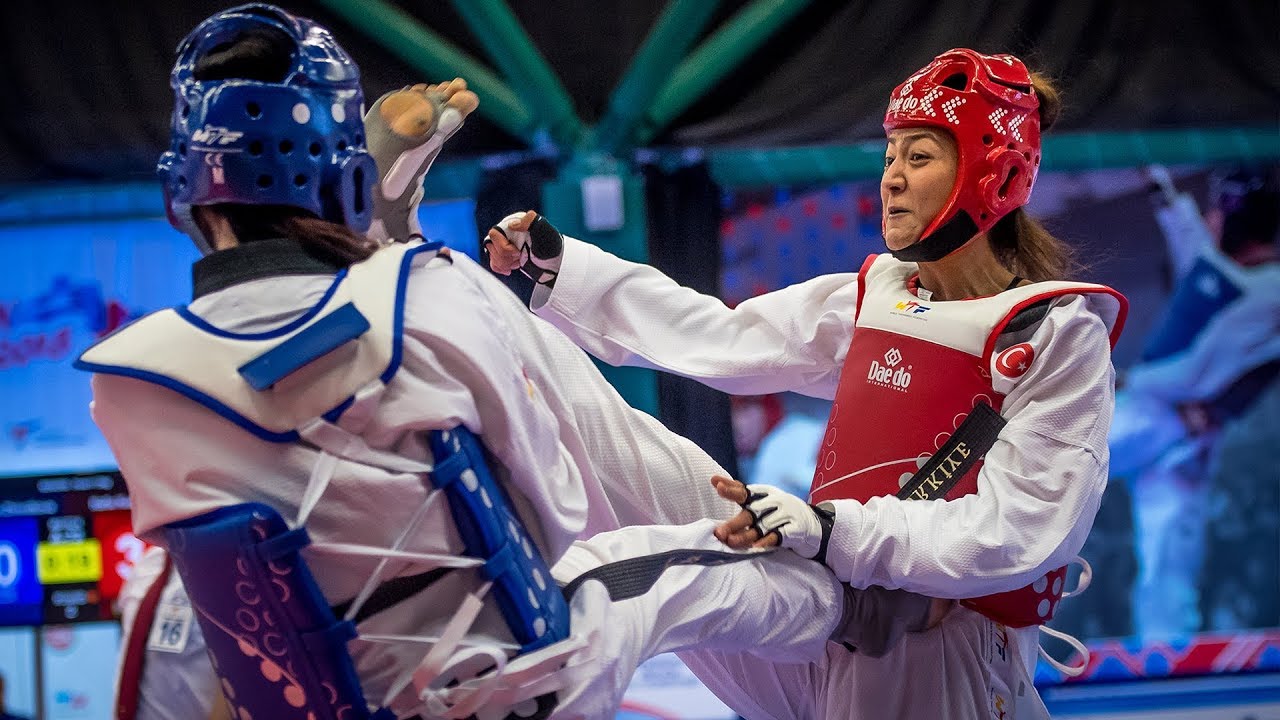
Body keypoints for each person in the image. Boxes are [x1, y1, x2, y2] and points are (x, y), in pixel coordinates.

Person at [81, 6, 932, 719]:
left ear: (182, 192)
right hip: (513, 685)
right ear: (338, 177)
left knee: (179, 587)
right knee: (652, 562)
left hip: (326, 691)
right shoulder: (435, 295)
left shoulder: (124, 386)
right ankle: (855, 599)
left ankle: (380, 232)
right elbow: (561, 507)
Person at [488, 48, 1128, 718]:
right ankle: (514, 651)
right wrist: (568, 274)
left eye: (920, 157)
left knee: (683, 574)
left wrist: (832, 530)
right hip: (821, 597)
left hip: (935, 651)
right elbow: (721, 336)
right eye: (890, 157)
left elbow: (1018, 533)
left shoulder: (1051, 336)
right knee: (607, 436)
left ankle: (539, 675)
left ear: (993, 174)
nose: (892, 181)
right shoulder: (877, 293)